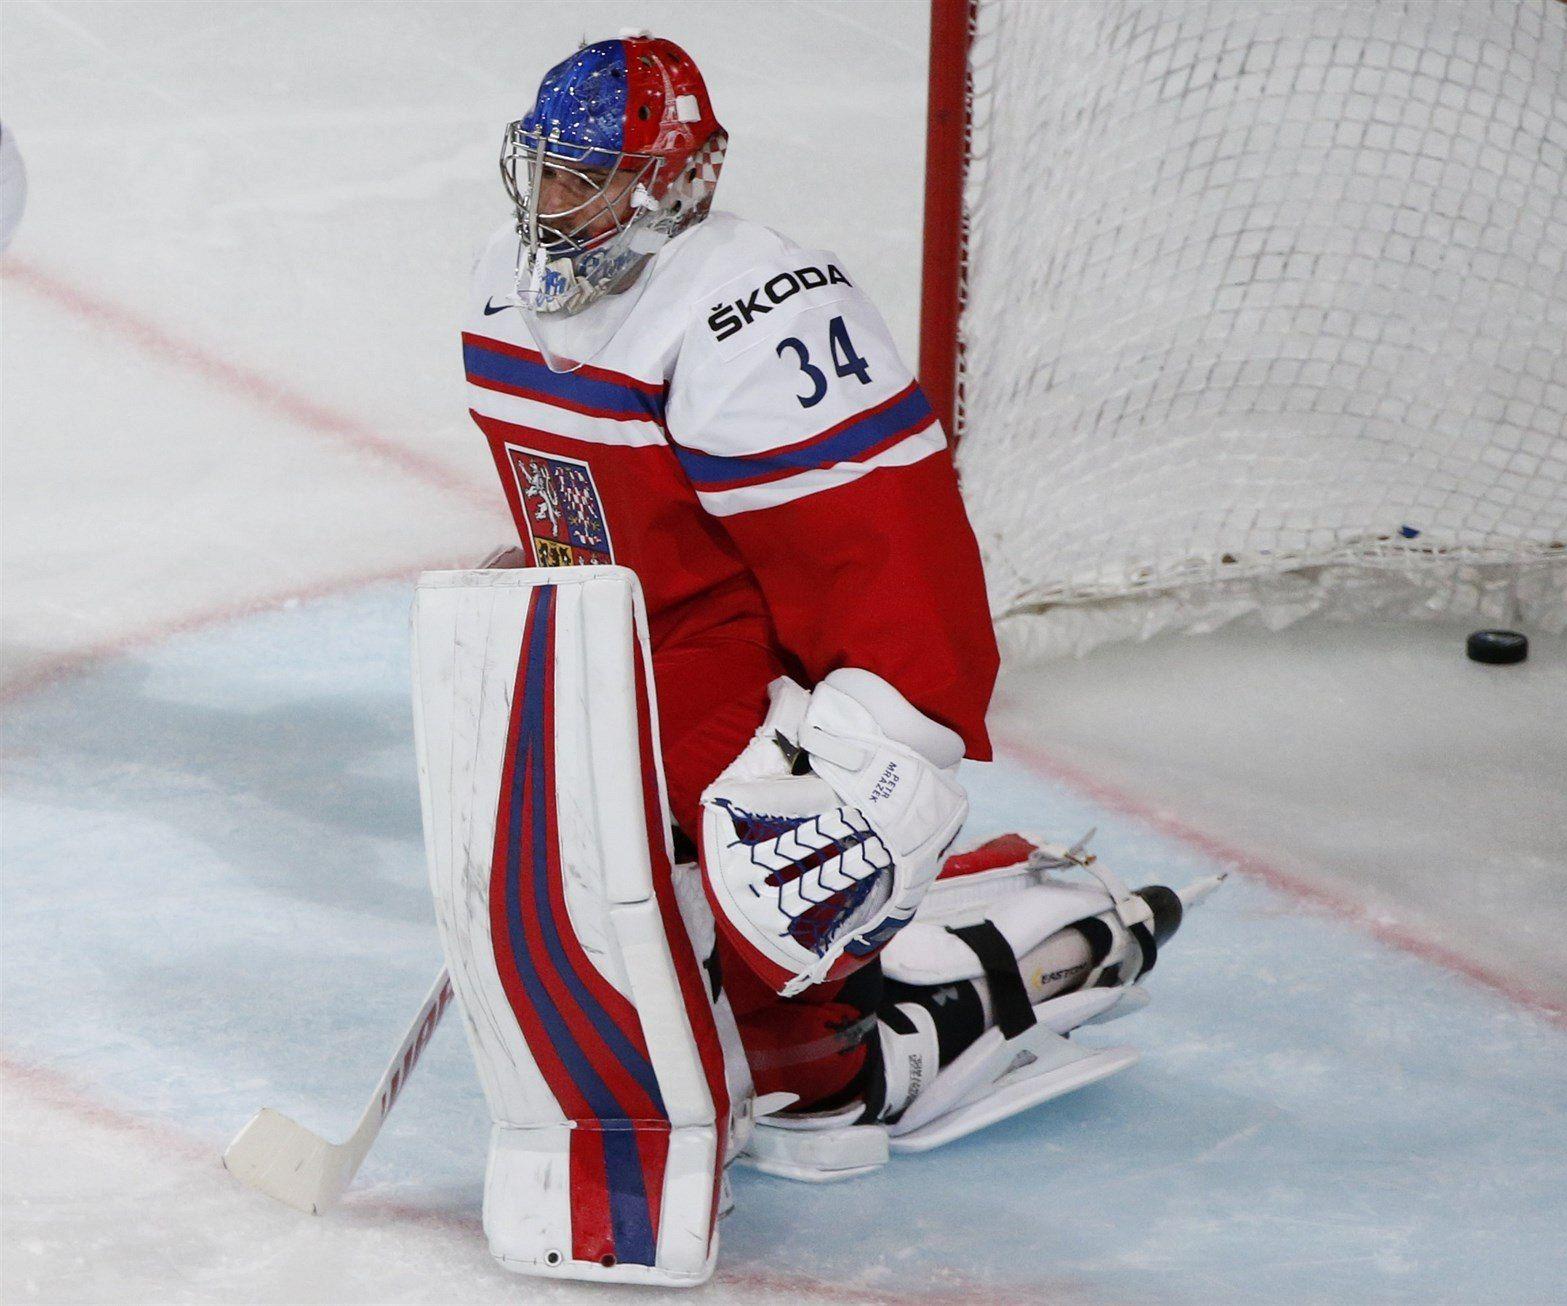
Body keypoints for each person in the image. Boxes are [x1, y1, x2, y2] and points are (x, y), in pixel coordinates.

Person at [429, 32, 1209, 1286]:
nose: (555, 205)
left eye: (593, 178)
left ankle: (840, 1060)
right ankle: (782, 1022)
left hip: (733, 641)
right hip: (623, 628)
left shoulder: (758, 307)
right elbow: (585, 505)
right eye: (550, 173)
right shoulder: (499, 281)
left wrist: (884, 738)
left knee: (666, 854)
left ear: (674, 181)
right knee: (576, 860)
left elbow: (884, 552)